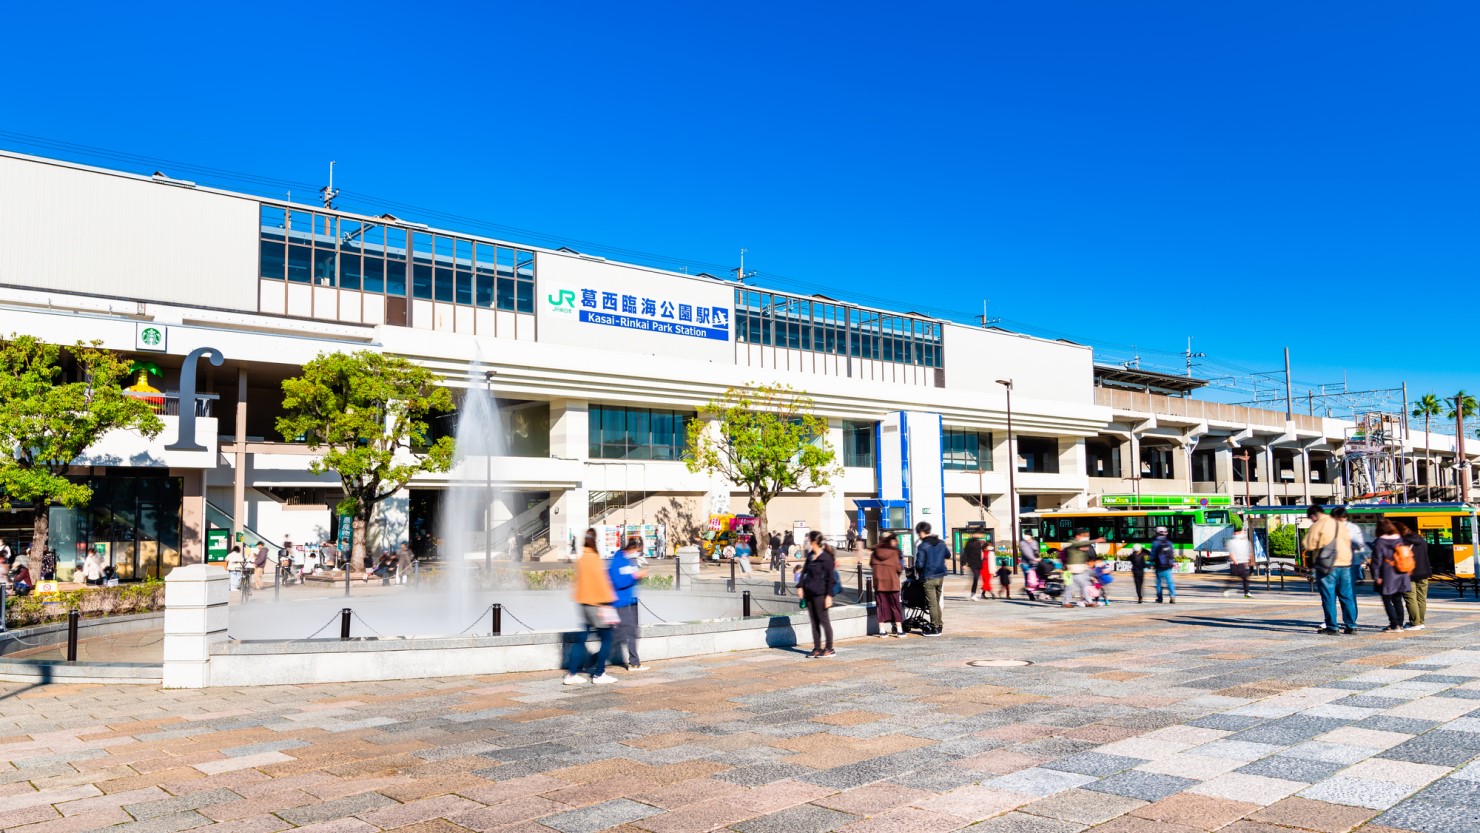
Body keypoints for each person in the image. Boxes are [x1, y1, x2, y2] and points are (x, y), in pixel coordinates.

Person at [565, 528, 619, 685]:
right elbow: (601, 583)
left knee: (582, 638)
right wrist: (608, 602)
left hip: (583, 603)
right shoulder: (594, 558)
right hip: (597, 604)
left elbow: (576, 581)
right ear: (595, 540)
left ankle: (572, 673)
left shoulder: (582, 558)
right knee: (607, 638)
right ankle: (599, 673)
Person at [1304, 504, 1356, 635]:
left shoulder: (1318, 525)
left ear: (1314, 515)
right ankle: (1351, 626)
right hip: (1345, 564)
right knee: (1347, 596)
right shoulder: (1340, 524)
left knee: (1329, 597)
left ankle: (1332, 627)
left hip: (1327, 565)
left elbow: (1309, 545)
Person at [608, 537, 649, 670]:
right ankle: (634, 663)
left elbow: (632, 580)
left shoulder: (630, 560)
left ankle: (634, 662)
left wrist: (639, 575)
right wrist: (635, 576)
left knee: (629, 632)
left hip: (632, 601)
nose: (638, 553)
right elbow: (618, 582)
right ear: (632, 548)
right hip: (621, 602)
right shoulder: (618, 560)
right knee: (623, 634)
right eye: (638, 550)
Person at [797, 531, 837, 656]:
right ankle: (817, 648)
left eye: (809, 540)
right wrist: (800, 586)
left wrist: (829, 596)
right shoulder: (810, 556)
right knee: (814, 622)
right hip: (809, 593)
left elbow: (831, 579)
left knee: (824, 621)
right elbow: (804, 572)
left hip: (821, 594)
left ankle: (829, 648)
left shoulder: (826, 559)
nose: (807, 543)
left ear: (814, 542)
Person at [1371, 518, 1411, 633]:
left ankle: (1394, 624)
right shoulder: (1399, 539)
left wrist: (1377, 576)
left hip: (1387, 574)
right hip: (1401, 572)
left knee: (1387, 599)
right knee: (1398, 600)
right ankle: (1400, 624)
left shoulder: (1380, 542)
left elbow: (1377, 560)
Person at [914, 522, 950, 635]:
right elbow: (948, 555)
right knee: (936, 602)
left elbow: (919, 564)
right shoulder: (941, 543)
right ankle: (939, 624)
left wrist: (918, 571)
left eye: (918, 533)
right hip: (940, 576)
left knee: (932, 604)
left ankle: (935, 628)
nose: (918, 535)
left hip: (928, 577)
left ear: (921, 532)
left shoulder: (923, 546)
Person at [1396, 522, 1431, 631]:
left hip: (1409, 573)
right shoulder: (1421, 539)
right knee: (1421, 599)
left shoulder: (1403, 541)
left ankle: (1415, 623)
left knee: (1410, 598)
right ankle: (1421, 622)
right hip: (1424, 572)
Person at [870, 533, 905, 637]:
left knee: (881, 606)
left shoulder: (875, 552)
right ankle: (899, 630)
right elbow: (899, 568)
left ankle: (882, 630)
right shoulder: (894, 552)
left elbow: (872, 565)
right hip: (892, 583)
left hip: (879, 584)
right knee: (896, 606)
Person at [1332, 507, 1369, 589]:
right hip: (1339, 562)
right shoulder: (1333, 527)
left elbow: (1359, 544)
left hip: (1349, 562)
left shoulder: (1351, 528)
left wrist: (1363, 558)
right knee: (1344, 589)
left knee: (1347, 588)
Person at [1060, 530, 1099, 608]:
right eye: (1083, 536)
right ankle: (1066, 602)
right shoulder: (1073, 542)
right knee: (1071, 586)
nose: (1085, 537)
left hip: (1078, 569)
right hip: (1071, 569)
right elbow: (1080, 544)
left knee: (1083, 585)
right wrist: (1096, 540)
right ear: (1078, 536)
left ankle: (1088, 601)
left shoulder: (1079, 544)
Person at [1151, 527, 1177, 604]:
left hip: (1159, 565)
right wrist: (1172, 562)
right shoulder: (1169, 542)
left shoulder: (1155, 543)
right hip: (1168, 565)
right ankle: (1172, 596)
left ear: (1157, 533)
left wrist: (1152, 563)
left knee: (1159, 582)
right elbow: (1172, 553)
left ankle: (1159, 598)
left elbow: (1153, 554)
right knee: (1170, 582)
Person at [1228, 530, 1254, 598]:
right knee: (1243, 577)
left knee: (1244, 577)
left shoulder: (1246, 542)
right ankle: (1246, 592)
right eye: (1240, 532)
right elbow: (1231, 553)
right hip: (1238, 562)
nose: (1242, 534)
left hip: (1244, 562)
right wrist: (1235, 560)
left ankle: (1246, 592)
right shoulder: (1232, 542)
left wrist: (1250, 561)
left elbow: (1249, 552)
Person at [962, 535, 986, 600]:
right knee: (975, 577)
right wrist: (964, 563)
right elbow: (965, 553)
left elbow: (981, 555)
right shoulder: (970, 543)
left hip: (978, 564)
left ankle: (972, 593)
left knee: (976, 579)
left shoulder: (979, 544)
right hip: (972, 563)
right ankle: (972, 594)